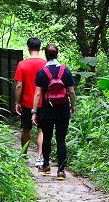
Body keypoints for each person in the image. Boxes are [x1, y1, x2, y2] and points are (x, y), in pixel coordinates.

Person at [32, 44, 76, 180]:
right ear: (57, 54)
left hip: (47, 110)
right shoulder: (65, 70)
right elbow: (72, 91)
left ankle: (45, 166)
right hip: (63, 110)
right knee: (61, 140)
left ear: (45, 55)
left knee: (47, 138)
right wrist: (72, 106)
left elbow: (38, 94)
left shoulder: (41, 72)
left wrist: (34, 112)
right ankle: (61, 171)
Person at [14, 37, 47, 167]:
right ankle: (40, 157)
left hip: (27, 102)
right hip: (43, 102)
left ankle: (24, 156)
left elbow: (18, 86)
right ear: (40, 48)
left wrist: (17, 102)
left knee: (26, 130)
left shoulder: (22, 64)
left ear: (28, 49)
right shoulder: (45, 64)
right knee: (42, 130)